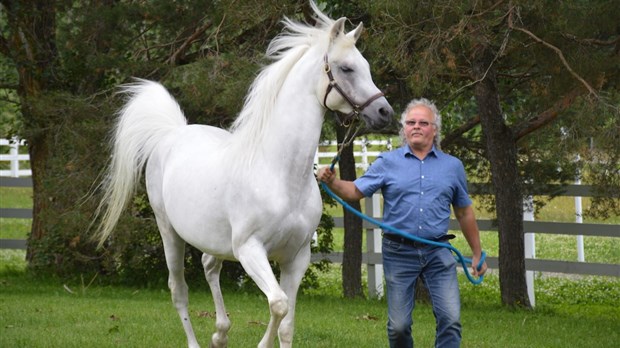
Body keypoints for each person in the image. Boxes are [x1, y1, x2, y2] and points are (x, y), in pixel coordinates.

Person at [317, 98, 487, 348]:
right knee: (399, 327)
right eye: (411, 122)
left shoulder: (453, 167)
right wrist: (332, 181)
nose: (416, 126)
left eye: (423, 122)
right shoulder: (387, 162)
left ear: (434, 129)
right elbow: (354, 191)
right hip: (398, 252)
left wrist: (476, 252)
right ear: (404, 128)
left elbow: (464, 213)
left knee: (450, 320)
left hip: (438, 251)